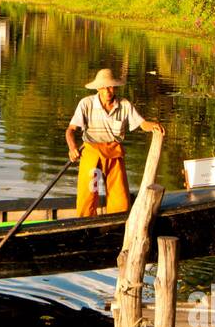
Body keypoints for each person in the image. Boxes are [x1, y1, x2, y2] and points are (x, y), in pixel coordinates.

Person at [65, 69, 164, 217]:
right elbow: (70, 130)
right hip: (92, 153)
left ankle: (116, 227)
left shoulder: (124, 105)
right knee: (88, 198)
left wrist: (153, 126)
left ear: (115, 88)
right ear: (98, 88)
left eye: (111, 87)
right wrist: (72, 148)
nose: (108, 91)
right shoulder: (86, 104)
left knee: (120, 200)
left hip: (114, 153)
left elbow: (142, 124)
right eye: (104, 87)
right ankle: (86, 228)